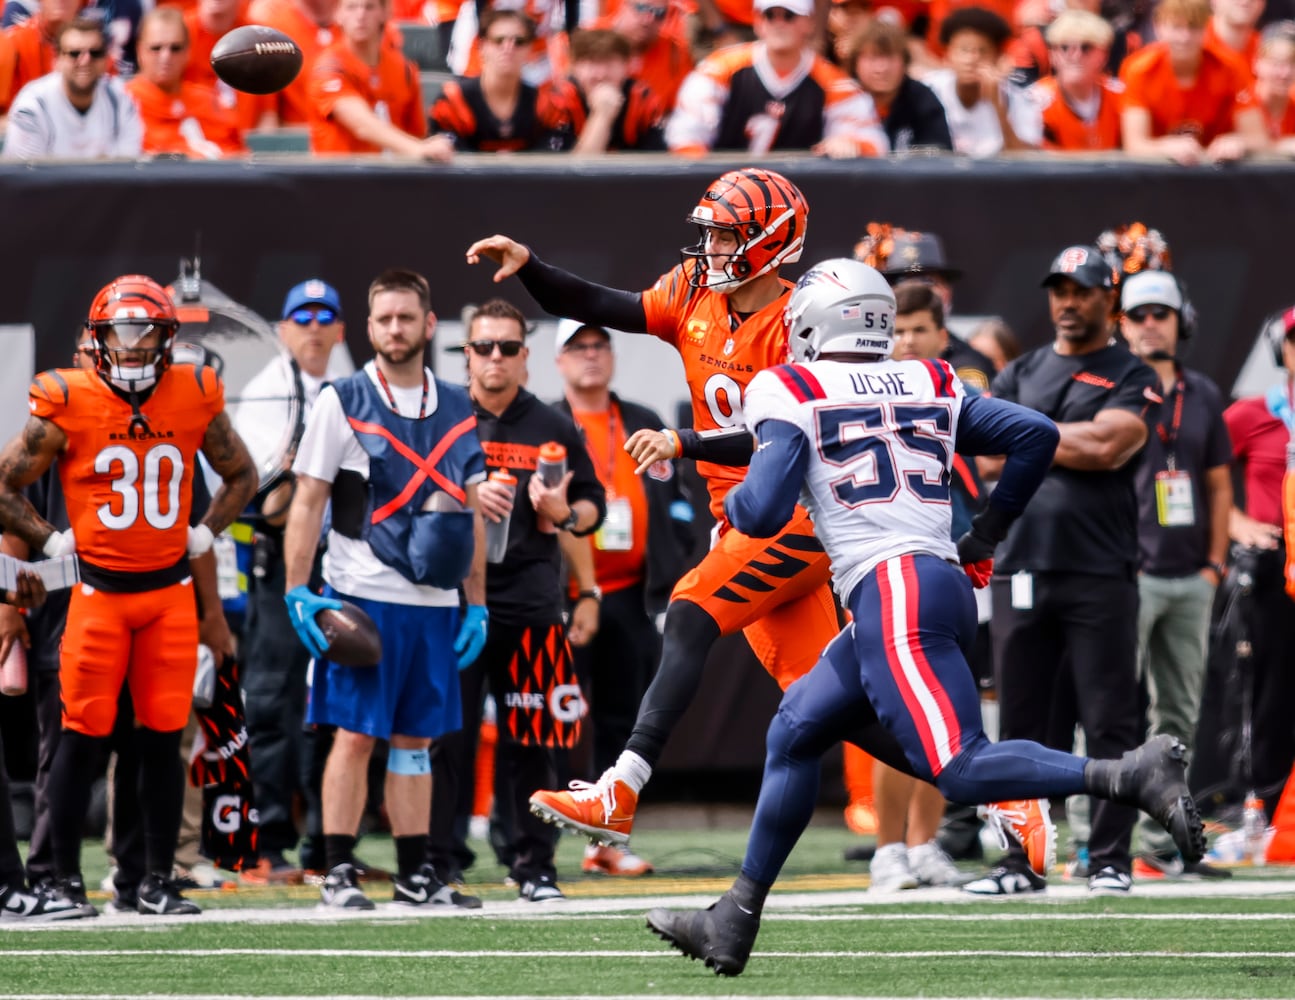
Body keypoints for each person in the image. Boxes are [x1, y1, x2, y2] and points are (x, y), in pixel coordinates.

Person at [642, 258, 1205, 977]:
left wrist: (740, 461)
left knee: (961, 770)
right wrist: (985, 537)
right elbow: (1032, 435)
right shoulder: (927, 376)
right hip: (927, 577)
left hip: (891, 587)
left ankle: (1126, 774)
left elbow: (757, 511)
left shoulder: (786, 386)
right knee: (793, 728)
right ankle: (734, 917)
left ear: (812, 322)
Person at [468, 170, 1048, 867]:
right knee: (833, 707)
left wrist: (685, 442)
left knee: (688, 611)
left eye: (724, 234)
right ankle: (1001, 792)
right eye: (709, 231)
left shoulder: (802, 322)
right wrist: (530, 268)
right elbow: (607, 303)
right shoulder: (690, 293)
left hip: (797, 513)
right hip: (744, 520)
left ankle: (620, 789)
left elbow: (785, 431)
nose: (709, 246)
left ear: (769, 242)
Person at [0, 274, 258, 916]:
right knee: (79, 738)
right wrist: (52, 541)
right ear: (98, 338)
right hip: (96, 596)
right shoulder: (67, 397)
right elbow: (3, 486)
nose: (136, 345)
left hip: (168, 594)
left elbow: (242, 473)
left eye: (148, 332)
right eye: (123, 332)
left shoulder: (195, 393)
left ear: (168, 338)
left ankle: (153, 881)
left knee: (163, 739)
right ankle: (61, 881)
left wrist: (205, 532)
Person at [283, 268, 488, 911]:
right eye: (383, 319)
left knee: (415, 743)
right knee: (354, 734)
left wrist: (475, 601)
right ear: (368, 328)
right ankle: (337, 870)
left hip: (433, 601)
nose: (394, 329)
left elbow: (471, 511)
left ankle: (415, 873)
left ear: (430, 325)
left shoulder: (459, 404)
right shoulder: (339, 399)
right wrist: (298, 590)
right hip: (359, 594)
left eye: (406, 317)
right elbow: (307, 499)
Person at [964, 245, 1161, 897]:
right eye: (1058, 290)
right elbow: (988, 455)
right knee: (1020, 724)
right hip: (1018, 565)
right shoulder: (1022, 366)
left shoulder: (1130, 372)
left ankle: (1106, 857)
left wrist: (1029, 438)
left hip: (1099, 568)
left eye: (1080, 291)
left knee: (1109, 719)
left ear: (1110, 298)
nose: (1066, 302)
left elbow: (1108, 447)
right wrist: (1050, 438)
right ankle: (1021, 863)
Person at [427, 299, 606, 902]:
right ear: (466, 354)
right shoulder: (442, 415)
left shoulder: (552, 425)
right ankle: (438, 863)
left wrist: (562, 512)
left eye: (508, 347)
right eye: (484, 347)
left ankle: (534, 866)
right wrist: (465, 499)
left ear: (526, 358)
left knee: (533, 739)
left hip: (531, 601)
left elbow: (591, 507)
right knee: (445, 739)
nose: (495, 358)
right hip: (453, 601)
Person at [550, 317, 694, 877]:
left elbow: (678, 497)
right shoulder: (549, 421)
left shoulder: (639, 420)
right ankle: (534, 849)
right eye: (577, 347)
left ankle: (607, 842)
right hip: (562, 598)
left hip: (632, 595)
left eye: (599, 345)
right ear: (559, 360)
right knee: (552, 717)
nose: (591, 355)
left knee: (622, 718)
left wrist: (675, 555)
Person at [1117, 269, 1234, 880]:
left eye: (1160, 313)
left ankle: (1158, 843)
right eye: (1139, 315)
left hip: (1190, 574)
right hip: (1128, 573)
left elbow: (1218, 485)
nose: (1150, 324)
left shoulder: (1204, 394)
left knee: (1179, 718)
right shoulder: (1111, 386)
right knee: (1114, 712)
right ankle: (1099, 843)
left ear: (1180, 321)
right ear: (1123, 324)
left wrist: (1215, 564)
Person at [232, 278, 346, 885]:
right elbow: (259, 500)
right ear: (282, 329)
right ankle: (269, 842)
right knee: (273, 700)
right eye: (302, 317)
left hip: (341, 560)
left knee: (335, 704)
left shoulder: (348, 389)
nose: (314, 327)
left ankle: (330, 847)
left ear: (340, 330)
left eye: (325, 317)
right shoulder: (265, 395)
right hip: (277, 561)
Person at [1220, 307, 1295, 834]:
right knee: (1272, 690)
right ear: (1280, 350)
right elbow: (1197, 470)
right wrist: (1236, 520)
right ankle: (1263, 806)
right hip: (1276, 568)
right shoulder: (1253, 412)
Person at [665, 0, 889, 157]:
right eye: (770, 15)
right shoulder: (718, 69)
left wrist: (852, 144)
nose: (779, 23)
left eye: (789, 15)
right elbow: (684, 136)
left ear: (808, 22)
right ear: (758, 22)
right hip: (728, 199)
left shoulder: (832, 81)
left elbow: (875, 143)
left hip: (801, 200)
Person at [1119, 0, 1268, 165]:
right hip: (1158, 173)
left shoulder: (1230, 66)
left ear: (1206, 28)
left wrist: (1238, 142)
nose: (1185, 37)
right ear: (1158, 27)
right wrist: (1165, 147)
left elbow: (1258, 138)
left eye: (1193, 27)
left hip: (1215, 170)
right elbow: (1134, 144)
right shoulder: (1140, 70)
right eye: (1176, 27)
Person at [310, 0, 452, 157]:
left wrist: (423, 147)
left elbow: (416, 132)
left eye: (369, 7)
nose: (360, 15)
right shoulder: (328, 67)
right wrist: (417, 149)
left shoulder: (404, 70)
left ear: (385, 12)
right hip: (338, 175)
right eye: (351, 7)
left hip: (392, 175)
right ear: (338, 13)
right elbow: (360, 124)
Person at [430, 9, 577, 152]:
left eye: (519, 42)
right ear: (482, 46)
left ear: (530, 48)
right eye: (498, 40)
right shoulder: (453, 100)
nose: (508, 48)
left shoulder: (547, 105)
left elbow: (556, 161)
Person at [3, 16, 143, 159]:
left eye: (95, 53)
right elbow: (26, 176)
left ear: (106, 60)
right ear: (56, 61)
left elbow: (129, 171)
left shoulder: (121, 99)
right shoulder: (33, 107)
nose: (85, 60)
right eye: (74, 53)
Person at [125, 7, 245, 159]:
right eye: (156, 48)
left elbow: (240, 155)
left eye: (175, 48)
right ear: (140, 50)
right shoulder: (124, 101)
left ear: (188, 51)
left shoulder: (210, 100)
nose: (166, 56)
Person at [922, 6, 1041, 157]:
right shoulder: (929, 90)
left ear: (997, 57)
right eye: (964, 50)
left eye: (982, 51)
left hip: (994, 177)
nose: (972, 59)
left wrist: (998, 106)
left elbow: (1026, 160)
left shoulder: (1016, 97)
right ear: (948, 54)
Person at [848, 17, 954, 153]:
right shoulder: (842, 99)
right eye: (872, 58)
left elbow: (939, 156)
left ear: (905, 61)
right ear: (855, 63)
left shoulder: (922, 99)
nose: (881, 68)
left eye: (890, 58)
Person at [554, 28, 666, 153]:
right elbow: (565, 169)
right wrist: (602, 115)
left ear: (626, 66)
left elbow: (657, 160)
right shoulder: (558, 102)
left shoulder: (644, 99)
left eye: (610, 63)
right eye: (592, 63)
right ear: (575, 67)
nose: (601, 75)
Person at [1028, 9, 1123, 152]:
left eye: (1086, 47)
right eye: (1065, 47)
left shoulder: (1121, 95)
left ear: (1104, 55)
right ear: (1052, 55)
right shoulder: (1035, 101)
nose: (1075, 55)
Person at [1253, 21, 1295, 150]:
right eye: (1276, 63)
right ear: (1256, 64)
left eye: (1293, 63)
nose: (1285, 73)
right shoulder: (1239, 104)